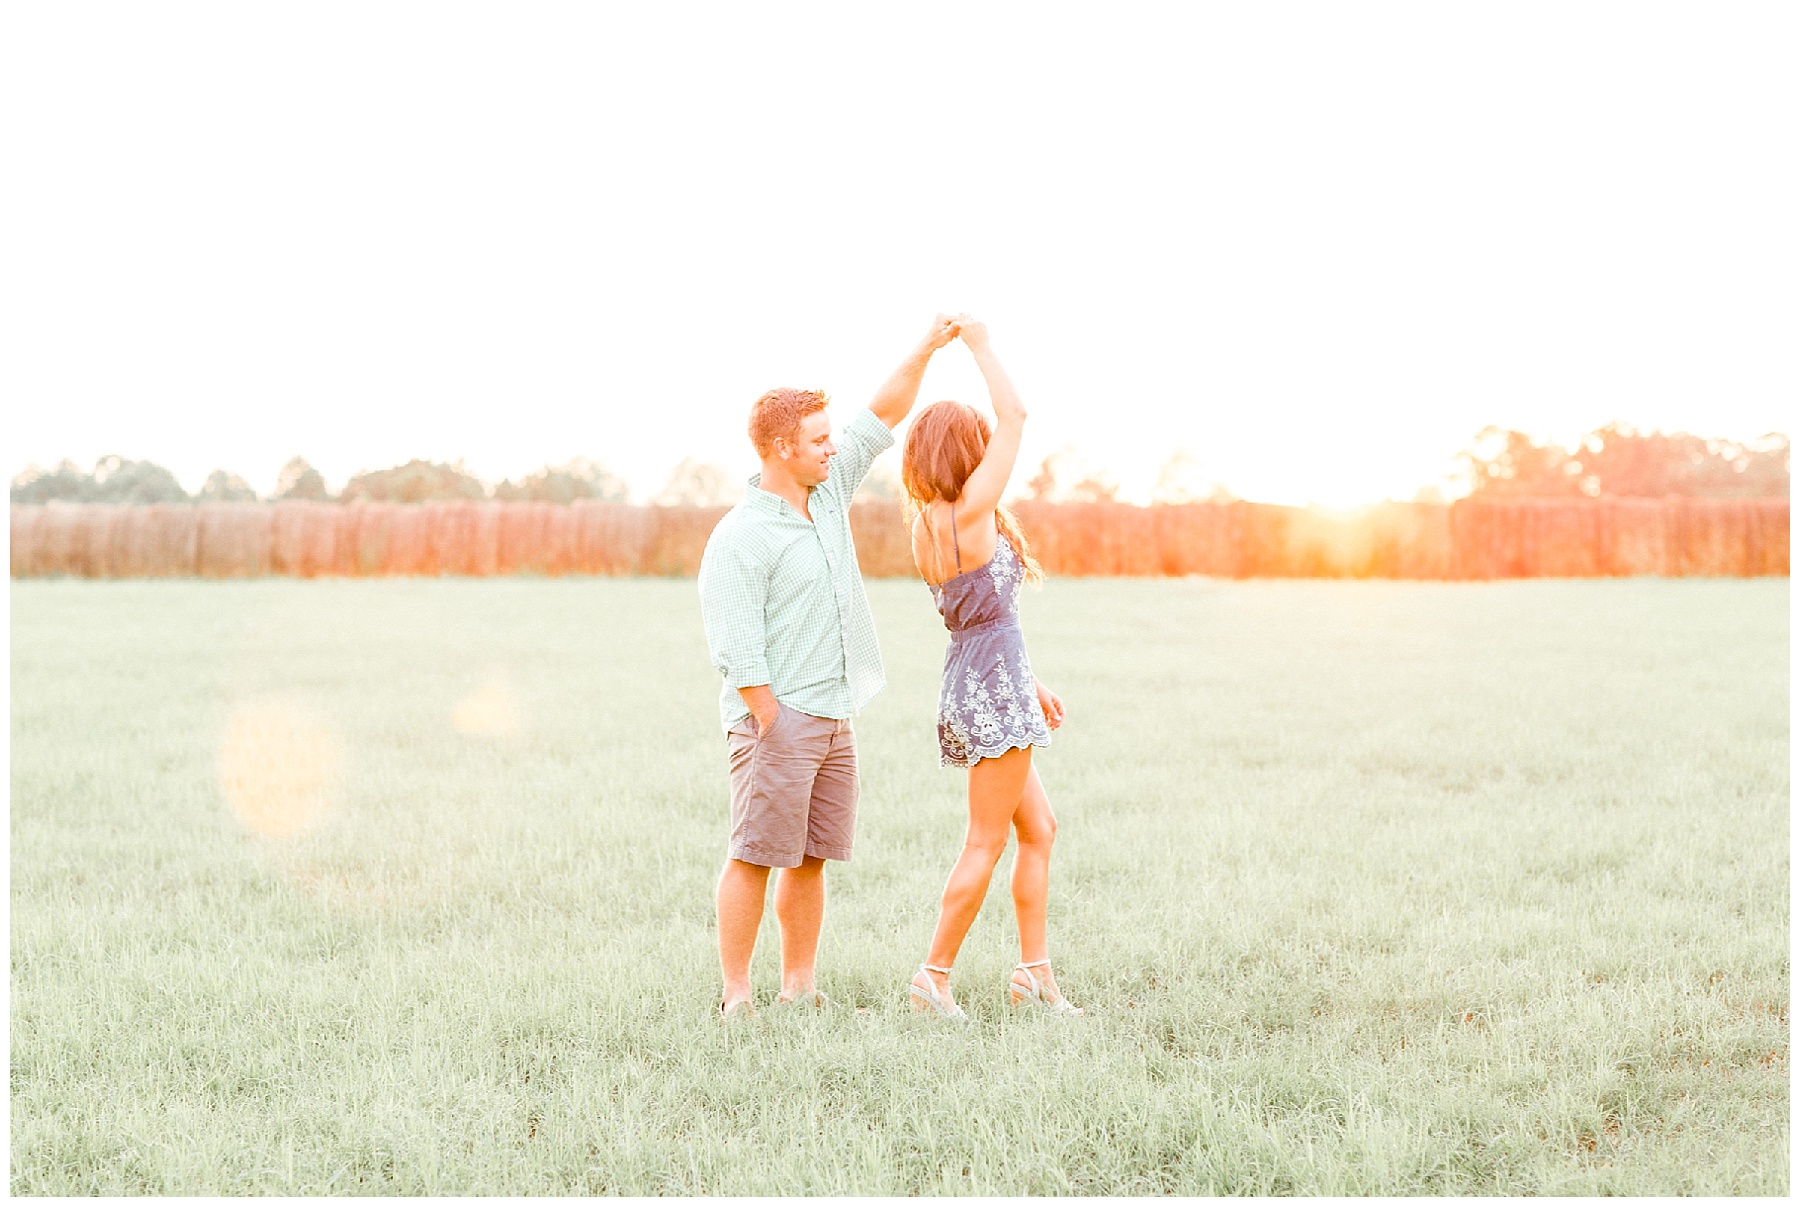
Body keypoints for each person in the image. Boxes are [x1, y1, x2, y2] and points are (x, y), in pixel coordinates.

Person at [698, 315, 962, 1020]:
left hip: (835, 714)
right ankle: (736, 995)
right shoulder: (741, 535)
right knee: (753, 855)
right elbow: (735, 646)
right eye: (818, 440)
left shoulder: (830, 492)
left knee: (811, 857)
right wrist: (771, 719)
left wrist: (927, 347)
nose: (832, 447)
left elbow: (883, 413)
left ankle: (800, 986)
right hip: (776, 721)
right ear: (781, 448)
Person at [898, 318, 1081, 1019]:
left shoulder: (927, 525)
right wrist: (977, 342)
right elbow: (1017, 414)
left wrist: (1029, 683)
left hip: (981, 681)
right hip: (992, 689)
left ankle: (1034, 975)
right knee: (986, 840)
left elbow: (978, 619)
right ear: (968, 452)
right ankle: (932, 976)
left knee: (1040, 829)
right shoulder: (969, 514)